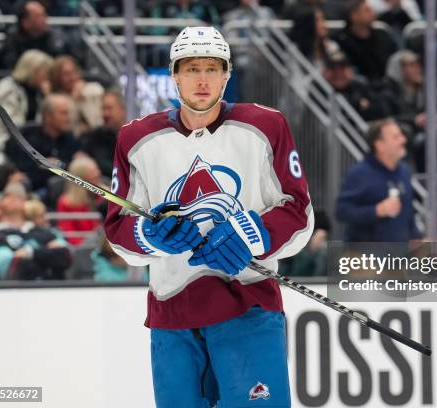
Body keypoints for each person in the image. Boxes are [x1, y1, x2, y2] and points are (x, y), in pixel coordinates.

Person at [103, 27, 313, 407]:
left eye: (212, 69)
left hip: (249, 306)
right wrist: (151, 234)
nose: (202, 79)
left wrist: (251, 234)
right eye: (192, 68)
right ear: (175, 74)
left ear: (227, 75)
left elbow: (298, 211)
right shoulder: (135, 139)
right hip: (172, 314)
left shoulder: (266, 126)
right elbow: (118, 228)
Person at [335, 118, 420, 242]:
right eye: (396, 137)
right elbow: (342, 211)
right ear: (379, 145)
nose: (404, 140)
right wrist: (376, 211)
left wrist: (416, 236)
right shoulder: (359, 174)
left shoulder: (404, 171)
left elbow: (408, 211)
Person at [0, 182, 71, 280]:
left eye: (19, 197)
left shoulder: (46, 231)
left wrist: (30, 253)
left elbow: (66, 256)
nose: (14, 198)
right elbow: (10, 268)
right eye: (6, 196)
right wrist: (48, 256)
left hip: (58, 291)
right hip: (20, 293)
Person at [5, 93, 80, 191]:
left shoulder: (70, 138)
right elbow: (23, 170)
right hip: (35, 190)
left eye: (68, 113)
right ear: (48, 117)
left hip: (66, 190)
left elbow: (74, 164)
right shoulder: (28, 139)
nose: (68, 118)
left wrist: (57, 164)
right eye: (63, 113)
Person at [0, 49, 53, 150]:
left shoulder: (39, 92)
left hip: (32, 142)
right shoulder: (8, 88)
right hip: (7, 140)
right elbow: (12, 126)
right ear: (31, 71)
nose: (47, 77)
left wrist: (49, 98)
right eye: (44, 73)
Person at [332, 0, 398, 81]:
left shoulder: (382, 35)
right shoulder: (342, 41)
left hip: (385, 84)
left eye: (371, 9)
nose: (372, 13)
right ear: (354, 16)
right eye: (367, 10)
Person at [0, 0, 68, 69]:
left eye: (44, 14)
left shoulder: (56, 39)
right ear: (25, 23)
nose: (45, 19)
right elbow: (10, 69)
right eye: (39, 16)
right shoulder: (12, 42)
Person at [47, 55, 104, 135]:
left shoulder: (93, 91)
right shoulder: (54, 100)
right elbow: (65, 128)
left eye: (74, 72)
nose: (72, 77)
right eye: (66, 74)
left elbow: (97, 123)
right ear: (57, 78)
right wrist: (73, 99)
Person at [56, 156, 103, 246]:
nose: (98, 173)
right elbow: (69, 234)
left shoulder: (104, 197)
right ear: (82, 178)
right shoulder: (66, 202)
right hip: (84, 248)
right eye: (92, 172)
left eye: (97, 169)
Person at [79, 90, 127, 178]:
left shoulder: (133, 137)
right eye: (103, 109)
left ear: (122, 109)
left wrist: (96, 162)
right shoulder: (94, 137)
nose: (105, 114)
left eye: (109, 108)